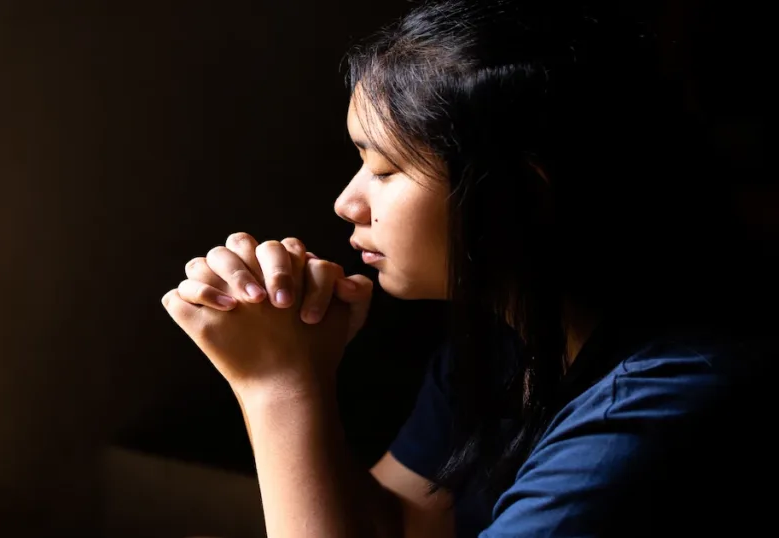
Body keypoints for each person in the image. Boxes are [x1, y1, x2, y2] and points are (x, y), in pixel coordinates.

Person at [161, 1, 774, 536]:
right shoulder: (510, 338)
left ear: (520, 200)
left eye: (384, 170)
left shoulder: (648, 414)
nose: (346, 203)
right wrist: (299, 373)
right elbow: (405, 524)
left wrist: (276, 390)